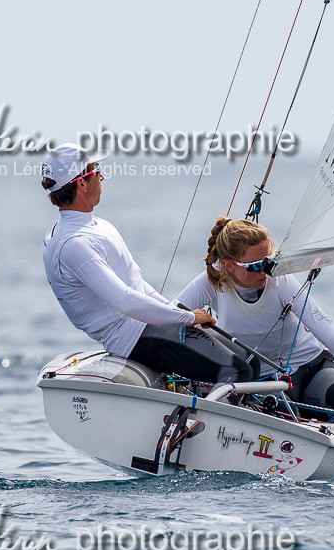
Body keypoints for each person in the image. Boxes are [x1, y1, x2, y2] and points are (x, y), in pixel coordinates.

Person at [175, 217, 334, 422]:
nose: (265, 271)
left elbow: (332, 337)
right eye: (255, 266)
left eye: (269, 262)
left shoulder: (281, 281)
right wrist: (190, 317)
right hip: (266, 381)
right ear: (230, 266)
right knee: (288, 421)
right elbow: (164, 317)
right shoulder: (211, 282)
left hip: (312, 364)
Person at [40, 143, 253, 385]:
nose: (102, 176)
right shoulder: (74, 244)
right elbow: (126, 301)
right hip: (132, 337)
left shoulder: (93, 227)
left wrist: (178, 313)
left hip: (148, 324)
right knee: (238, 372)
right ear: (81, 183)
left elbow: (136, 285)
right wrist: (187, 318)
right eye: (97, 170)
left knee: (249, 360)